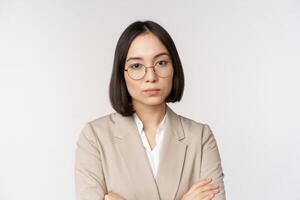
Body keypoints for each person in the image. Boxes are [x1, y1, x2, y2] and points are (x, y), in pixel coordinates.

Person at [75, 20, 226, 200]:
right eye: (136, 66)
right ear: (121, 74)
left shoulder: (200, 137)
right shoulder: (95, 137)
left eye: (161, 62)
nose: (151, 76)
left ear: (174, 67)